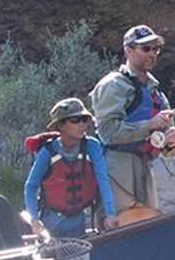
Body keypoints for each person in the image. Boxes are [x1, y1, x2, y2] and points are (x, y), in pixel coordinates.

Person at [89, 24, 175, 214]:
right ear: (128, 50)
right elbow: (107, 133)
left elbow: (170, 152)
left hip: (145, 170)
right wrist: (148, 126)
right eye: (145, 48)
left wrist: (171, 144)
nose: (152, 54)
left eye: (155, 49)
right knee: (120, 224)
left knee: (147, 225)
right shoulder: (112, 85)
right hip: (116, 169)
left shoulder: (157, 92)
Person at [23, 96, 118, 238]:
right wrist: (34, 219)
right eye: (75, 120)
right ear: (60, 125)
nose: (82, 125)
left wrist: (110, 213)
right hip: (51, 220)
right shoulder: (48, 152)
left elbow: (103, 179)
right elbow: (31, 186)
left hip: (78, 219)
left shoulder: (92, 146)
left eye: (84, 119)